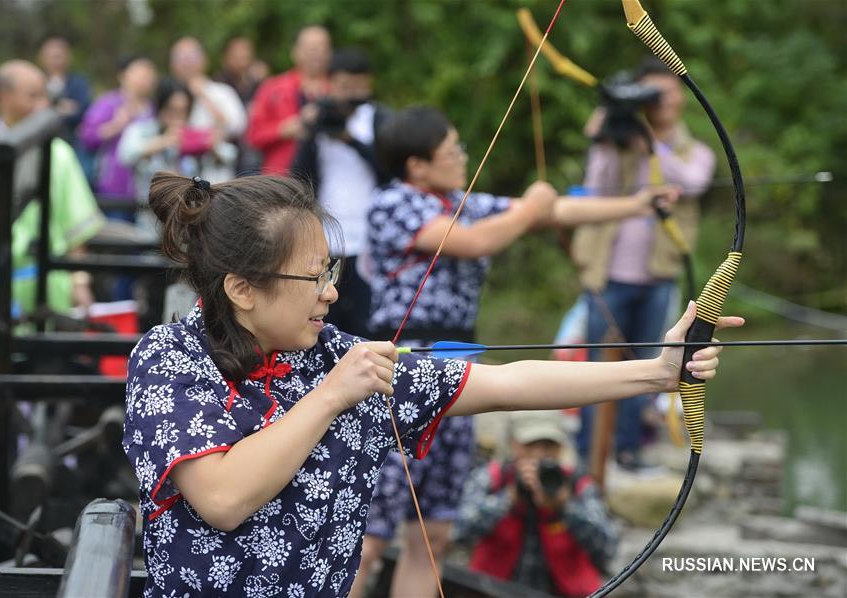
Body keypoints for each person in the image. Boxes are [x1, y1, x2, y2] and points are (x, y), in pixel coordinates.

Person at [122, 171, 738, 597]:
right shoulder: (170, 358)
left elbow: (503, 383)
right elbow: (224, 498)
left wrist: (656, 372)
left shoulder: (335, 355)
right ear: (241, 288)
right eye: (313, 277)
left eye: (331, 272)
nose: (331, 292)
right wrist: (332, 395)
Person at [353, 106, 681, 598]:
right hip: (402, 366)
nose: (463, 157)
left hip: (459, 361)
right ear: (416, 165)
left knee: (434, 533)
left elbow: (556, 212)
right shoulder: (393, 203)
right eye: (453, 150)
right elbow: (475, 240)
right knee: (371, 536)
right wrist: (532, 206)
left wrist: (637, 205)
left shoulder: (457, 200)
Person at [571, 57, 716, 470]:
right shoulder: (618, 138)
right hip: (607, 275)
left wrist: (649, 144)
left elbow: (692, 183)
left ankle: (629, 449)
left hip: (658, 275)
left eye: (666, 91)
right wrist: (609, 136)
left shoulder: (693, 150)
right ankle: (587, 454)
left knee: (649, 364)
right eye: (650, 93)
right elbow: (597, 186)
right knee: (596, 366)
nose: (660, 101)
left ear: (680, 96)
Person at [0, 60, 104, 375]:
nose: (43, 105)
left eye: (44, 96)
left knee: (43, 383)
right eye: (32, 96)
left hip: (46, 287)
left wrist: (79, 280)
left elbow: (76, 229)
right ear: (4, 97)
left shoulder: (58, 154)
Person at [454, 411, 618, 597]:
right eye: (530, 445)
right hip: (491, 590)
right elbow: (458, 532)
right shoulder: (493, 478)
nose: (539, 455)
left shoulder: (578, 484)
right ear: (513, 444)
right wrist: (508, 499)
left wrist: (564, 507)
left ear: (560, 448)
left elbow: (608, 548)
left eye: (549, 446)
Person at [291, 48, 388, 338]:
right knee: (326, 312)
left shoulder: (379, 119)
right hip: (327, 233)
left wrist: (351, 141)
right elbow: (299, 173)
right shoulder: (321, 115)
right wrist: (310, 129)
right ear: (331, 84)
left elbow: (390, 169)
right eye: (345, 87)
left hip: (370, 235)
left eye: (359, 86)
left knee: (365, 317)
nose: (352, 94)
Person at [118, 78, 237, 234]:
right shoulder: (142, 131)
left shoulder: (193, 132)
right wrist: (161, 142)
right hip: (150, 218)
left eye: (183, 110)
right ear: (160, 107)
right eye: (171, 109)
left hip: (190, 220)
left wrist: (209, 145)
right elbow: (125, 155)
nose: (177, 117)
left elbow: (229, 155)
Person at [248, 25, 331, 174]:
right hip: (283, 181)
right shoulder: (272, 87)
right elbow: (253, 135)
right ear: (294, 51)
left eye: (321, 47)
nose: (316, 52)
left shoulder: (337, 91)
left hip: (330, 178)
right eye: (309, 47)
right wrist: (283, 129)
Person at [79, 55, 157, 201]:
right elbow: (87, 137)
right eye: (140, 74)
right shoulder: (109, 103)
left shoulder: (152, 109)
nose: (145, 79)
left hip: (144, 190)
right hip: (112, 188)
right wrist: (116, 126)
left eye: (149, 75)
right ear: (123, 76)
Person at [169, 37, 246, 180]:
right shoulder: (166, 95)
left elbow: (238, 125)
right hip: (177, 178)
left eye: (191, 56)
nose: (186, 62)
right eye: (180, 57)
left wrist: (203, 96)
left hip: (215, 176)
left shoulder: (222, 92)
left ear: (204, 60)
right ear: (172, 64)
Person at [215, 35, 270, 176]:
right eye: (237, 54)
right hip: (228, 148)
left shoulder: (257, 83)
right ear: (226, 57)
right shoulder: (218, 83)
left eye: (245, 53)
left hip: (253, 150)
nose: (242, 57)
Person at [37, 36, 92, 173]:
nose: (55, 61)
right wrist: (62, 107)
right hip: (40, 143)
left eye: (59, 56)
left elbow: (82, 112)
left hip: (72, 144)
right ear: (43, 58)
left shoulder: (78, 83)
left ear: (68, 58)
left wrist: (49, 107)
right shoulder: (36, 81)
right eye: (51, 56)